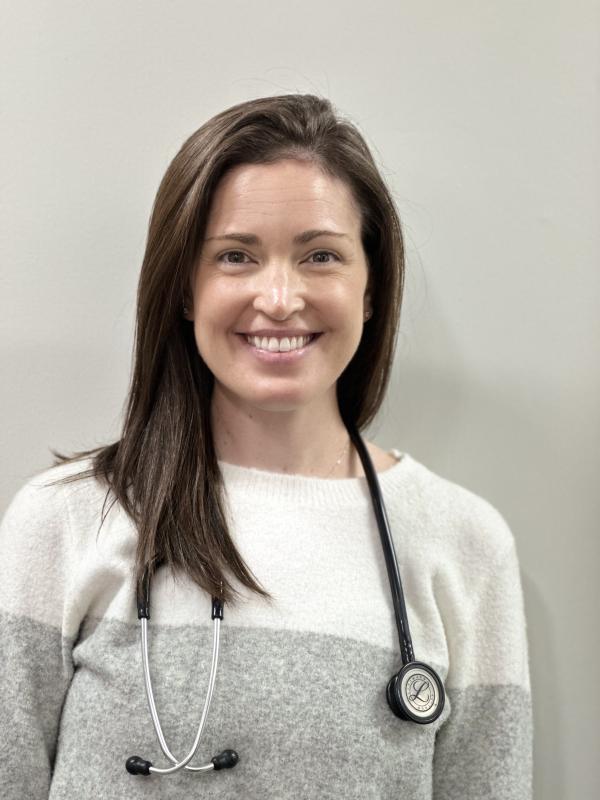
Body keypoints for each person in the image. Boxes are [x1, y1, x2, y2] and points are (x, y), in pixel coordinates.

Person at [0, 94, 533, 798]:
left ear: (371, 289)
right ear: (185, 289)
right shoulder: (64, 521)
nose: (279, 298)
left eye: (320, 256)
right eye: (235, 256)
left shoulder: (463, 545)